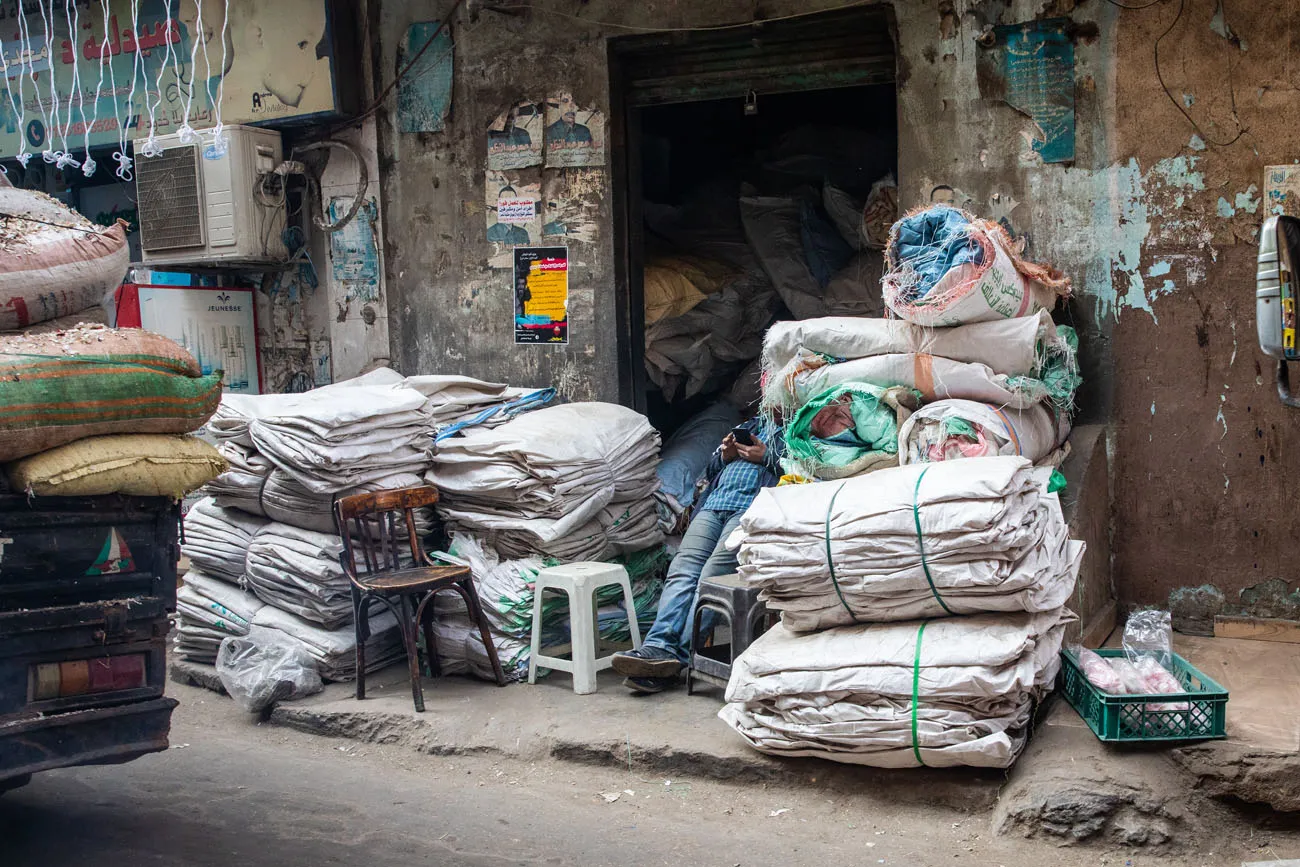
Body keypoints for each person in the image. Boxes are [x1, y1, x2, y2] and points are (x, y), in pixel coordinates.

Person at [611, 413, 784, 694]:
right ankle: (657, 646)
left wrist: (765, 457)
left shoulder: (800, 431)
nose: (771, 397)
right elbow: (712, 468)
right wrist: (725, 456)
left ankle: (675, 657)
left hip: (750, 511)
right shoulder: (747, 425)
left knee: (710, 577)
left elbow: (803, 474)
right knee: (682, 570)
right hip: (713, 506)